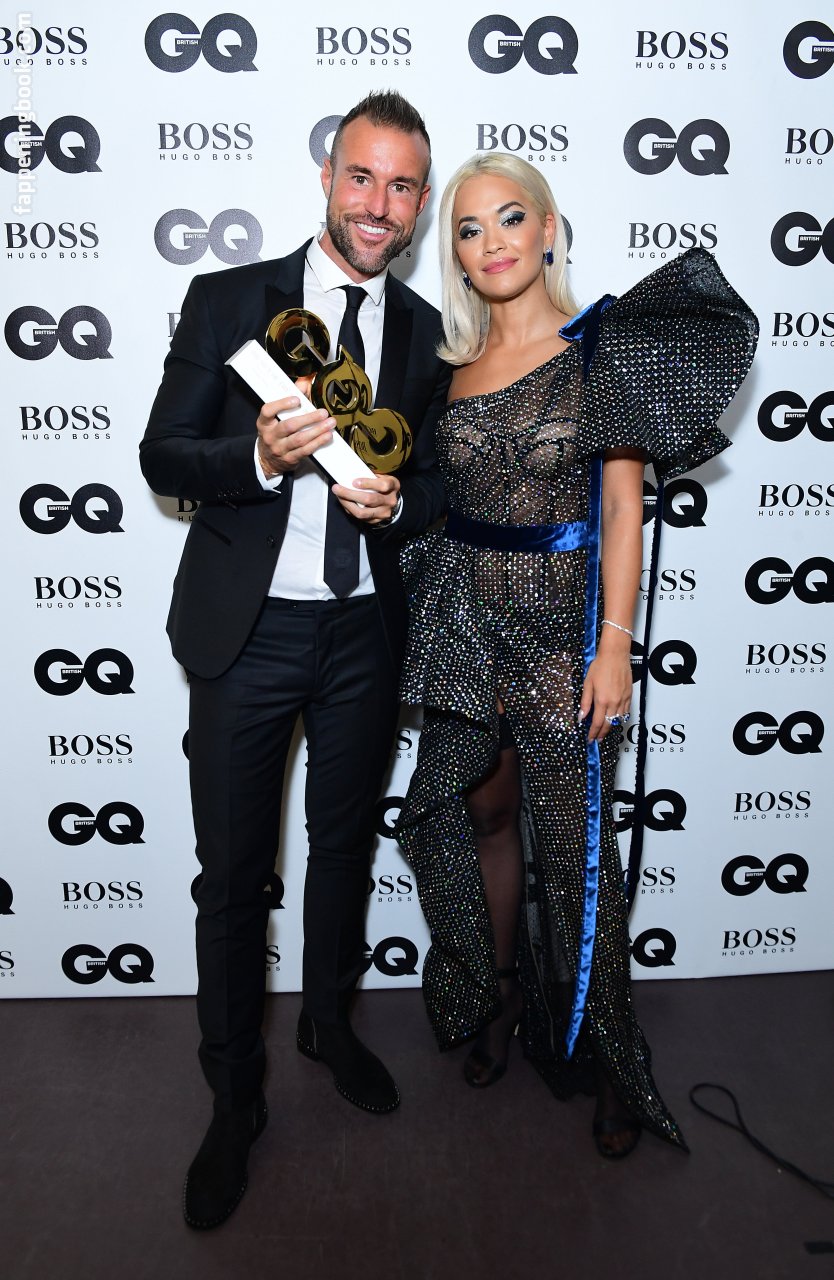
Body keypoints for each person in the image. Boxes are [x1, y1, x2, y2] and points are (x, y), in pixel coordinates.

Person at [396, 153, 758, 1158]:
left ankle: (608, 1048)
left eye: (511, 218)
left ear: (550, 227)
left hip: (565, 635)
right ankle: (501, 994)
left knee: (578, 854)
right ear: (456, 253)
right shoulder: (447, 364)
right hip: (468, 624)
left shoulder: (604, 344)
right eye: (469, 228)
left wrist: (614, 647)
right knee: (482, 816)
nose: (493, 242)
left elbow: (623, 510)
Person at [140, 90, 449, 1228]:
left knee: (344, 850)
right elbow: (163, 453)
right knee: (233, 879)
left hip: (364, 632)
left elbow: (437, 488)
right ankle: (234, 1101)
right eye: (362, 176)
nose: (378, 204)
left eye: (402, 186)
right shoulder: (234, 298)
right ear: (328, 177)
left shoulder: (423, 331)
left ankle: (327, 1022)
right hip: (248, 633)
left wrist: (400, 503)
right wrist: (261, 460)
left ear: (420, 202)